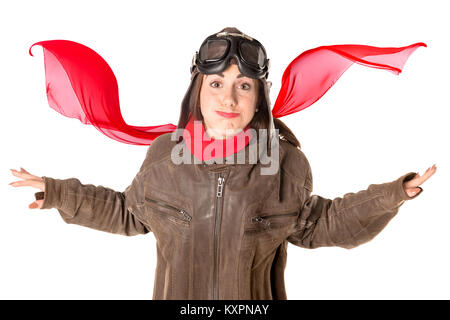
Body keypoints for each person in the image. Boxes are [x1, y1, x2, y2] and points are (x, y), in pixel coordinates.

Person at [10, 27, 436, 299]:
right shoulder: (164, 158)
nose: (228, 98)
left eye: (243, 85)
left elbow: (319, 224)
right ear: (197, 91)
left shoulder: (285, 164)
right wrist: (58, 192)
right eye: (216, 83)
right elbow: (128, 212)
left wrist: (391, 195)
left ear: (259, 99)